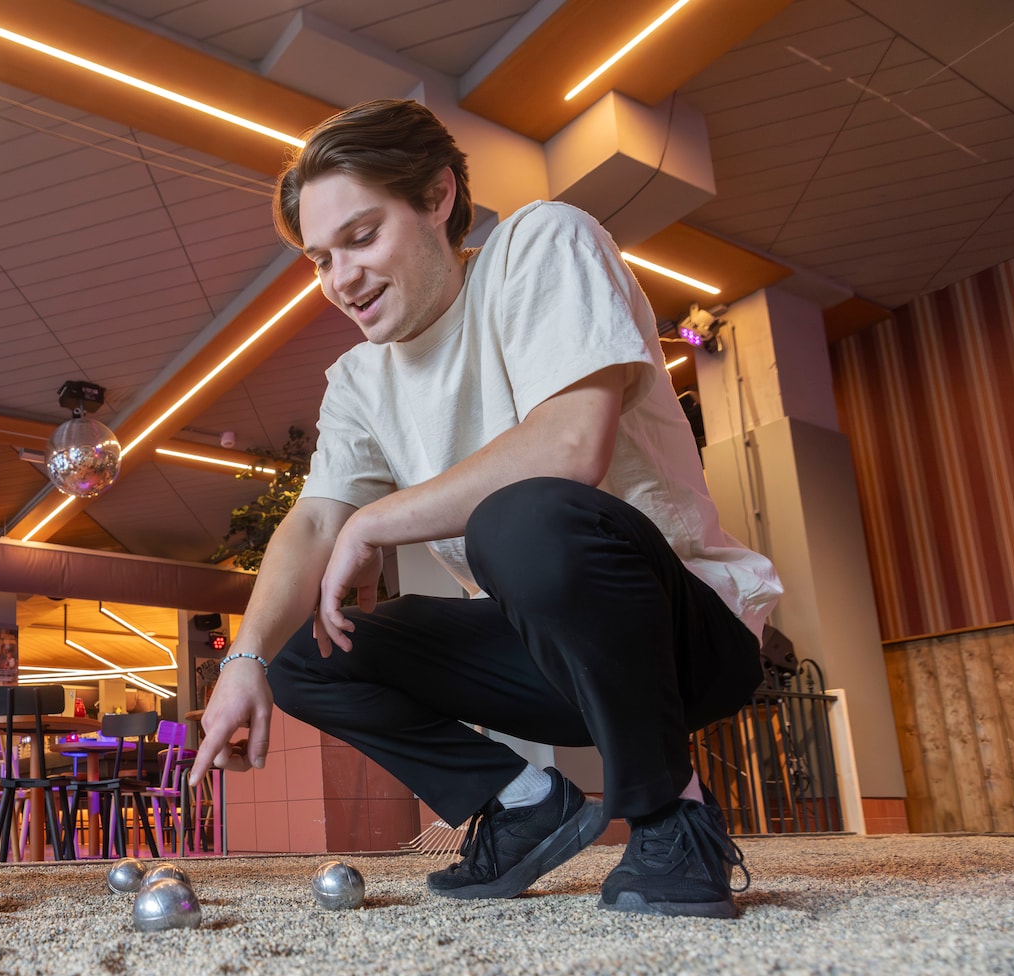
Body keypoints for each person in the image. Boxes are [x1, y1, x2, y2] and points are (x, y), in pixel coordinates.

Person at [189, 100, 782, 920]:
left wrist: (377, 519)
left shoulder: (543, 244)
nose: (341, 280)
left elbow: (570, 447)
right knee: (304, 654)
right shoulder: (359, 380)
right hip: (543, 661)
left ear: (437, 198)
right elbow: (317, 520)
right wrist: (242, 663)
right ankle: (517, 802)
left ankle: (671, 817)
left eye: (361, 238)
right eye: (320, 259)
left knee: (523, 517)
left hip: (683, 640)